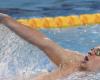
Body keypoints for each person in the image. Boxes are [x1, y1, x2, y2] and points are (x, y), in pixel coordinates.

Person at [0, 13, 100, 80]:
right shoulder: (72, 61)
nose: (91, 52)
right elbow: (44, 43)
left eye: (98, 52)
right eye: (92, 49)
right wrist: (6, 20)